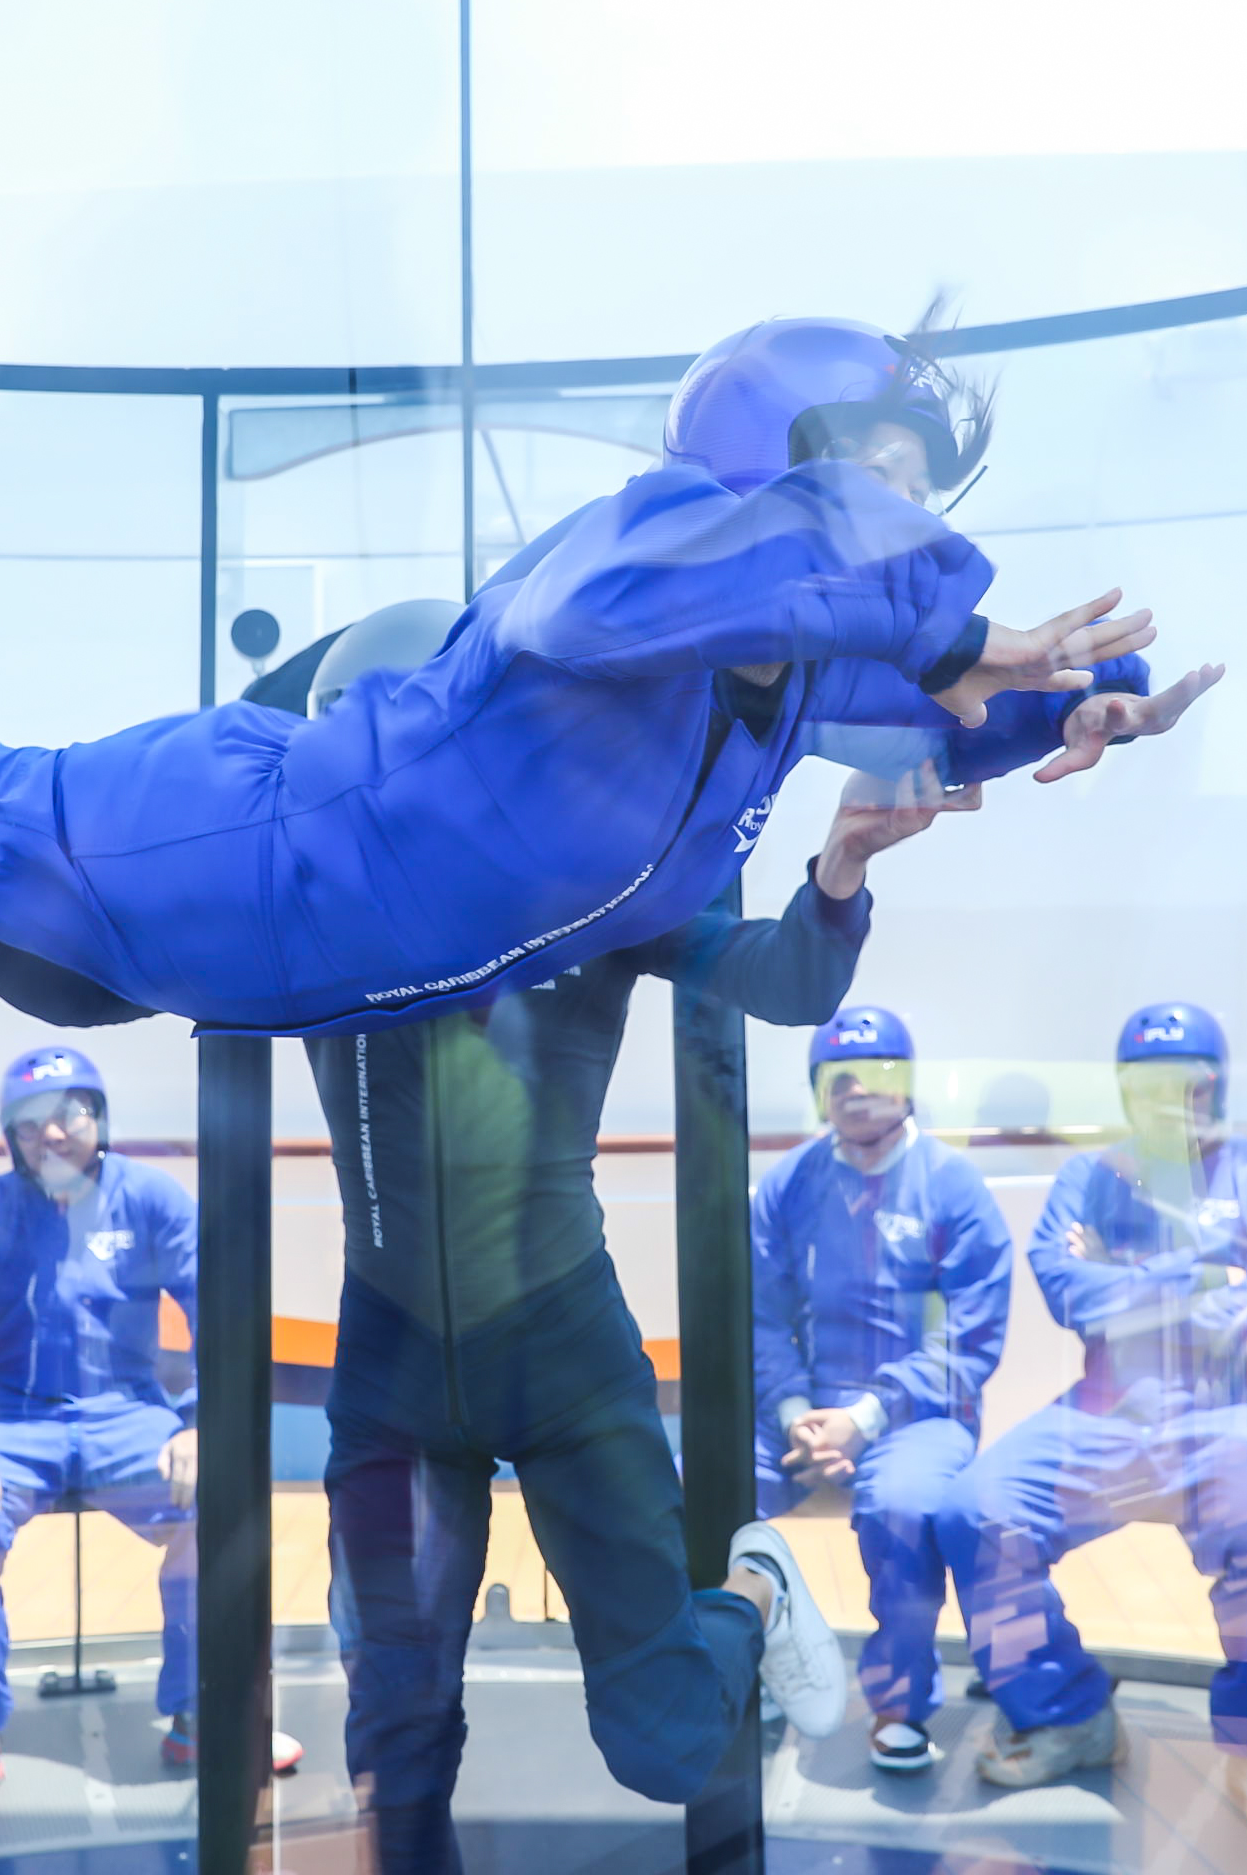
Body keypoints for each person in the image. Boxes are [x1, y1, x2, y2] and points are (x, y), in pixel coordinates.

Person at [0, 317, 1220, 1039]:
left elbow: (919, 709)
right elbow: (676, 605)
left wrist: (1068, 714)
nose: (905, 514)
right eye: (875, 470)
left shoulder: (779, 684)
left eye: (916, 494)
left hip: (240, 965)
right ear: (775, 454)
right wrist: (939, 613)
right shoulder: (635, 548)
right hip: (224, 850)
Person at [276, 603, 970, 1872]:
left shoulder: (591, 883)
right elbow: (101, 956)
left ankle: (756, 1588)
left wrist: (839, 867)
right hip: (391, 1370)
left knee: (665, 1741)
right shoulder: (307, 899)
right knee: (396, 1740)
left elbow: (785, 980)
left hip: (561, 1350)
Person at [936, 1001, 1247, 1836]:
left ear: (1217, 1084)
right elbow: (1066, 1292)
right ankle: (1069, 1713)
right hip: (1110, 1406)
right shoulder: (1091, 1177)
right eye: (1151, 1082)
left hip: (1231, 1407)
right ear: (1125, 1090)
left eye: (1190, 1080)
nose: (1173, 1097)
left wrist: (1129, 1283)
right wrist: (1205, 1277)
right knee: (976, 1508)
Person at [0, 1046, 302, 1827]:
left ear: (99, 1118)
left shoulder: (150, 1197)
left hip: (129, 1414)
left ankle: (208, 1711)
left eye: (70, 1115)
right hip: (13, 1421)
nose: (52, 1134)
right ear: (11, 1138)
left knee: (220, 1501)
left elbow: (221, 1309)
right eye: (30, 1124)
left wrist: (203, 1423)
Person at [752, 1005, 1013, 1773]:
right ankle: (750, 1655)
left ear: (908, 1084)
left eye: (876, 1076)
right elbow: (757, 1314)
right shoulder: (790, 1183)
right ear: (818, 1092)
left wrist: (865, 1418)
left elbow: (970, 1336)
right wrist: (796, 1413)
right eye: (840, 1079)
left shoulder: (953, 1186)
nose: (858, 1091)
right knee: (694, 1487)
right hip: (801, 1407)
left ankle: (899, 1705)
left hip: (919, 1413)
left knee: (903, 1507)